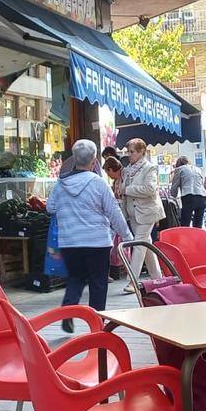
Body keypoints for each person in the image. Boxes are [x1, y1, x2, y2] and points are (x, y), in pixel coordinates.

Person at [46, 140, 132, 331]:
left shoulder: (61, 185)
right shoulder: (99, 183)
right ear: (94, 161)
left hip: (69, 242)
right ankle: (96, 326)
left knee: (76, 278)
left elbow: (50, 207)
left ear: (73, 159)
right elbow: (113, 213)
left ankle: (68, 312)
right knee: (98, 283)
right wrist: (127, 236)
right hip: (97, 242)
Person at [116, 138, 165, 290]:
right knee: (146, 244)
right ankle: (158, 278)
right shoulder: (127, 170)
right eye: (128, 152)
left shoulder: (149, 168)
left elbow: (149, 189)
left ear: (141, 152)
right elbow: (123, 190)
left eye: (132, 152)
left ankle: (132, 280)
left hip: (147, 212)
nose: (129, 155)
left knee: (139, 243)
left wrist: (126, 190)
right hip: (133, 212)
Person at [169, 156, 206, 228]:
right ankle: (196, 238)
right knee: (198, 223)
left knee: (185, 223)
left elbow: (174, 187)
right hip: (202, 197)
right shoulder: (197, 169)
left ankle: (186, 238)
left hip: (189, 196)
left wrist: (172, 197)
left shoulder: (179, 169)